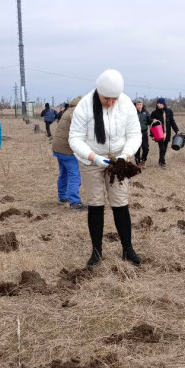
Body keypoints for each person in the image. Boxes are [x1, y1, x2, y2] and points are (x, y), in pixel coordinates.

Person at [68, 69, 142, 267]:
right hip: (90, 159)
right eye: (106, 98)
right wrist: (94, 157)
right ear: (98, 92)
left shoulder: (126, 104)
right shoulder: (84, 106)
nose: (110, 103)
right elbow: (74, 138)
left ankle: (127, 249)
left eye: (114, 99)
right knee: (96, 204)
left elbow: (135, 134)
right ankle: (97, 252)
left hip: (118, 159)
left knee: (120, 202)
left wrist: (124, 156)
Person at [52, 96, 85, 210]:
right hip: (67, 149)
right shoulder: (77, 112)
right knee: (75, 175)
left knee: (64, 173)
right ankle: (75, 202)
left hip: (58, 147)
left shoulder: (69, 110)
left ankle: (62, 196)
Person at [149, 98, 180, 167]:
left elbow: (172, 122)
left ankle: (161, 160)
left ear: (164, 104)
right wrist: (152, 135)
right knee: (162, 148)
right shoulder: (154, 113)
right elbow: (151, 125)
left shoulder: (169, 111)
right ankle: (162, 163)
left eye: (160, 103)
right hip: (159, 133)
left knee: (164, 148)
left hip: (167, 133)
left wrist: (177, 130)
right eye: (158, 103)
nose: (159, 105)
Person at [133, 98, 151, 168]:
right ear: (135, 105)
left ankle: (143, 161)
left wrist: (153, 121)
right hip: (135, 134)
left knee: (146, 148)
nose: (139, 106)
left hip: (144, 133)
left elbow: (149, 122)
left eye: (140, 104)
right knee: (137, 148)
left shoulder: (146, 113)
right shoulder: (132, 112)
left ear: (142, 105)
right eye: (137, 104)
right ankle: (138, 162)